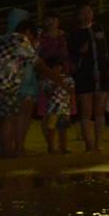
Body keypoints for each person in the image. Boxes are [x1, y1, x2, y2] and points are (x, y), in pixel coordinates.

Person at [0, 14, 38, 159]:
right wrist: (59, 80)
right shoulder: (21, 39)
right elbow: (37, 62)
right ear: (28, 33)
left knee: (2, 118)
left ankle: (3, 149)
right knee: (9, 118)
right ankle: (8, 151)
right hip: (6, 84)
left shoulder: (0, 39)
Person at [68, 3, 107, 153]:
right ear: (78, 16)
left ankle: (99, 142)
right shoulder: (75, 34)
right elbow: (71, 56)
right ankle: (89, 144)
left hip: (102, 74)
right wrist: (80, 52)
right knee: (86, 110)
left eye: (89, 11)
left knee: (100, 111)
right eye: (83, 12)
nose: (87, 15)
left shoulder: (100, 29)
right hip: (85, 75)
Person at [35, 13, 71, 154]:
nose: (50, 22)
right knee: (46, 112)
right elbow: (36, 57)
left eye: (53, 19)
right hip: (46, 76)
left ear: (58, 20)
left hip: (63, 76)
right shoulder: (41, 39)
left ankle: (63, 145)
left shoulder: (64, 37)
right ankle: (52, 145)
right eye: (47, 19)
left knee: (63, 114)